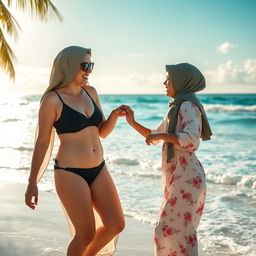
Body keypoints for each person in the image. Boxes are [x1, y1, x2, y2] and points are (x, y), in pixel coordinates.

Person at [24, 46, 125, 256]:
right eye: (85, 65)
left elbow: (102, 132)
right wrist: (32, 182)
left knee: (116, 224)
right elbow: (42, 143)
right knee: (85, 234)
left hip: (99, 168)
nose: (89, 70)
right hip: (70, 173)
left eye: (91, 65)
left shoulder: (91, 92)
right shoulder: (52, 100)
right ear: (69, 66)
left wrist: (114, 116)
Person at [124, 63, 212, 256]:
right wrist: (132, 122)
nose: (164, 82)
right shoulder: (176, 108)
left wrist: (162, 136)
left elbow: (191, 141)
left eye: (169, 79)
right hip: (177, 178)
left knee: (168, 232)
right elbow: (154, 135)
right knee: (173, 233)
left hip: (187, 178)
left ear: (181, 82)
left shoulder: (188, 106)